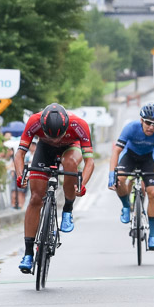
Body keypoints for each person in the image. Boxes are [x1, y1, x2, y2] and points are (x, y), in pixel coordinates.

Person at [14, 104, 94, 273]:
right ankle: (28, 254)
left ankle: (67, 209)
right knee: (36, 198)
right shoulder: (34, 121)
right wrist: (21, 175)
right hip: (44, 149)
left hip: (71, 148)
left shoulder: (79, 124)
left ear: (66, 127)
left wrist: (82, 184)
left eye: (60, 136)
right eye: (51, 136)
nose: (56, 140)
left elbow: (89, 162)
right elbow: (20, 154)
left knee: (69, 163)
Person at [108, 103, 154, 251]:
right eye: (148, 122)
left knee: (153, 193)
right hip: (130, 156)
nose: (151, 127)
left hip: (148, 159)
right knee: (120, 180)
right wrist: (111, 174)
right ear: (141, 120)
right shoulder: (131, 128)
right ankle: (127, 206)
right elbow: (116, 151)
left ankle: (152, 235)